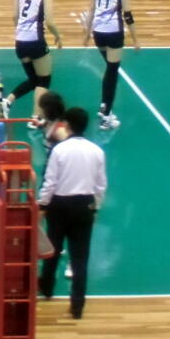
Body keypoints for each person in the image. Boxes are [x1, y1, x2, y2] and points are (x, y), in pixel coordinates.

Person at [38, 107, 107, 320]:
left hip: (59, 206)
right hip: (83, 206)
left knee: (53, 249)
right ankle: (77, 306)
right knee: (80, 257)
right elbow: (100, 185)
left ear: (67, 125)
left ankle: (46, 288)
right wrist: (95, 207)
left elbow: (50, 182)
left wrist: (42, 204)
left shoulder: (59, 150)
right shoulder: (97, 151)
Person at [82, 0, 140, 131]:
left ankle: (104, 105)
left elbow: (91, 8)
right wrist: (135, 39)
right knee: (112, 72)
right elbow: (127, 15)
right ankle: (106, 116)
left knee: (109, 69)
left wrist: (87, 33)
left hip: (98, 32)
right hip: (114, 32)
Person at [2, 0, 63, 128]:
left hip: (20, 42)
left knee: (33, 79)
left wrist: (21, 32)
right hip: (36, 41)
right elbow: (50, 22)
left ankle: (7, 101)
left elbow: (15, 16)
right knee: (44, 81)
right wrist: (58, 36)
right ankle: (35, 119)